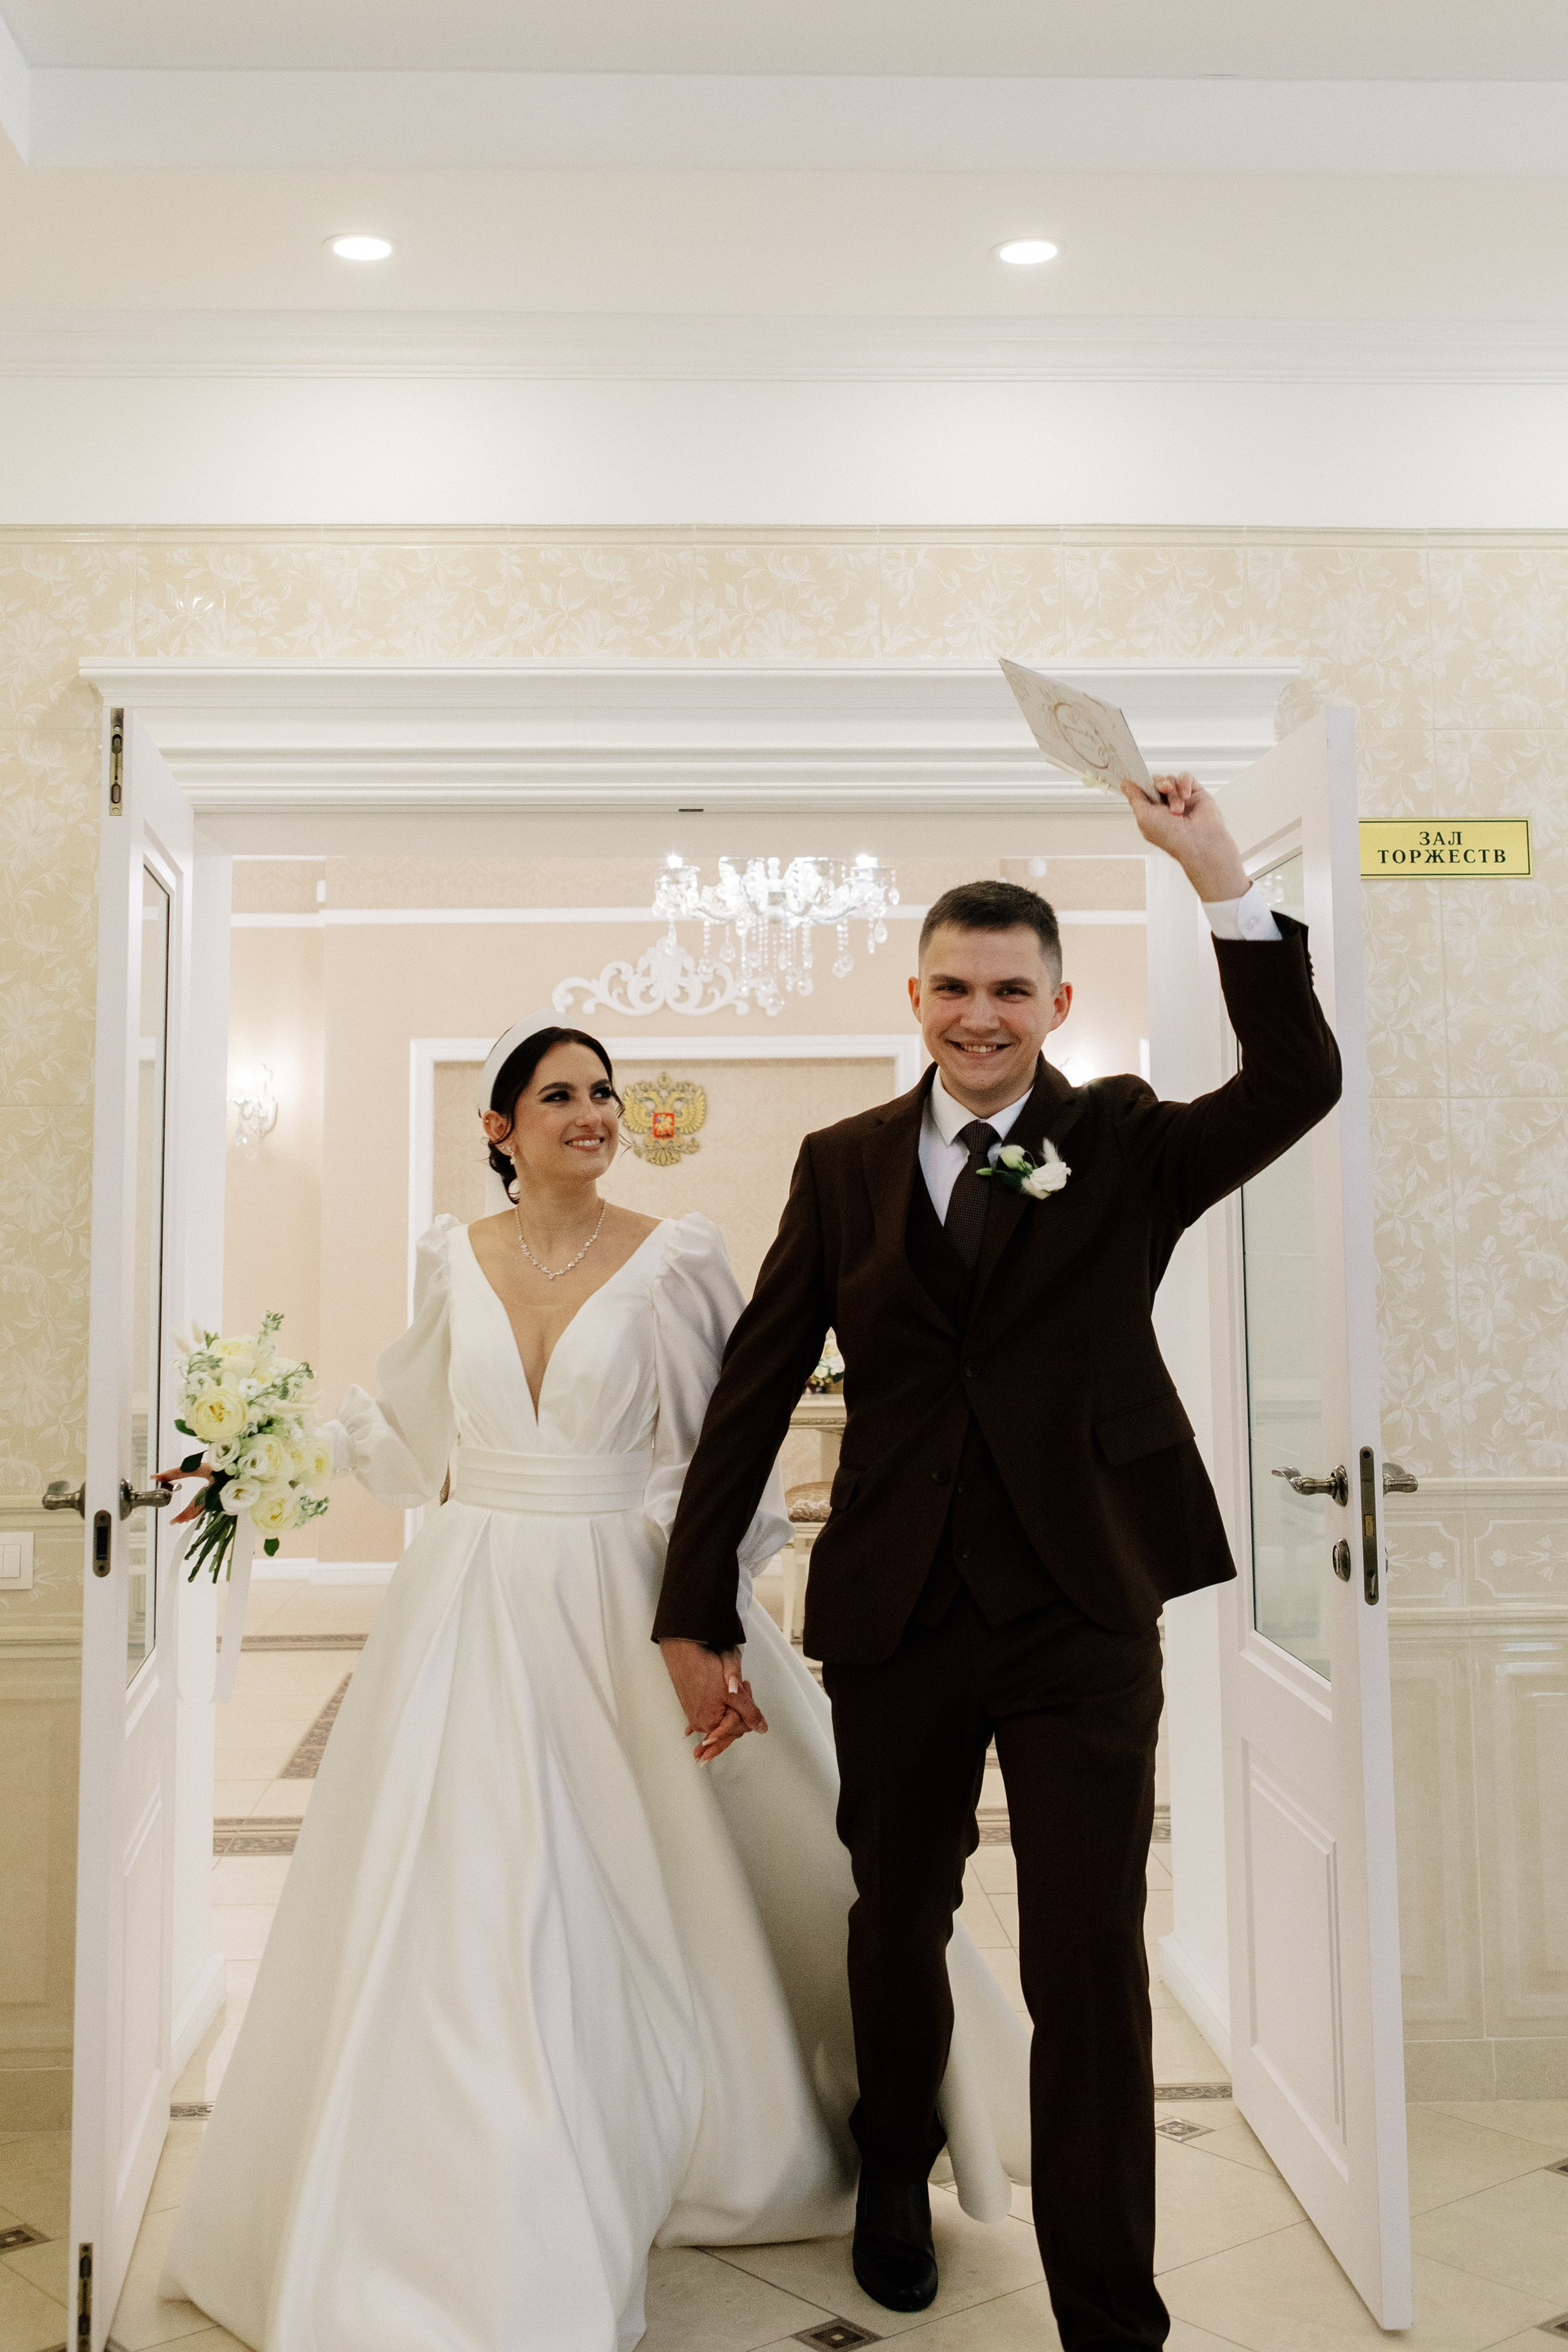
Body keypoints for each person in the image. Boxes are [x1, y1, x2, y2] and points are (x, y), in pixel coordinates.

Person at [163, 1015, 1028, 2352]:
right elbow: (405, 1438)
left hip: (622, 1597)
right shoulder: (450, 1256)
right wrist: (263, 1450)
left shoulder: (673, 1258)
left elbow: (726, 1443)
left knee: (638, 1875)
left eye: (604, 1094)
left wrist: (712, 1613)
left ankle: (743, 2129)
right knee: (475, 1886)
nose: (594, 1113)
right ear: (498, 1128)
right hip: (470, 1599)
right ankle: (476, 2183)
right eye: (561, 1095)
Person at [654, 775, 1344, 2343]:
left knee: (1087, 1955)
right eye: (954, 988)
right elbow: (758, 1381)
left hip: (1082, 1609)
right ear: (915, 996)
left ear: (1058, 1004)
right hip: (896, 1612)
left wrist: (1220, 875)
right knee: (893, 1918)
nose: (981, 1017)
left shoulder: (1126, 1142)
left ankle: (1110, 2305)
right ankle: (893, 2171)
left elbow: (1298, 1077)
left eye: (1011, 992)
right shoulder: (842, 1162)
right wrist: (696, 1607)